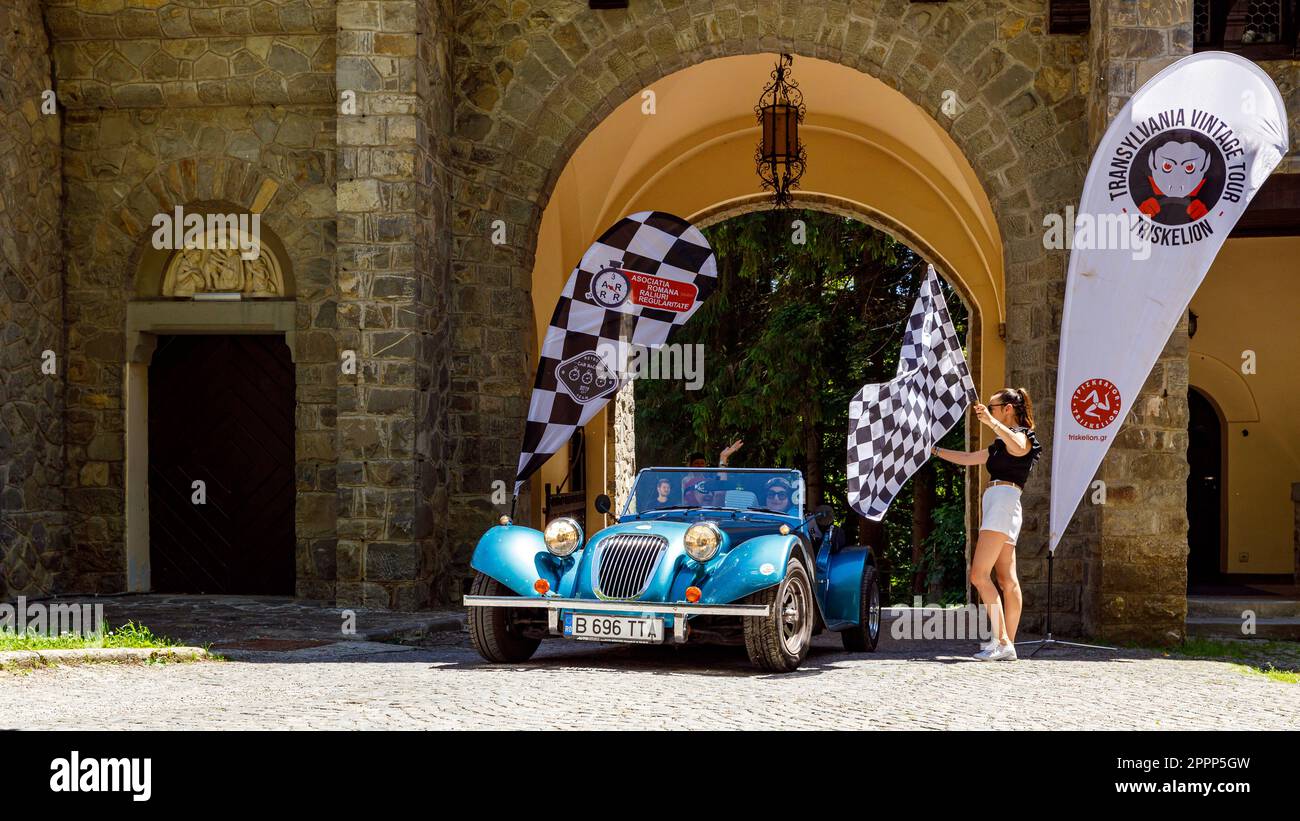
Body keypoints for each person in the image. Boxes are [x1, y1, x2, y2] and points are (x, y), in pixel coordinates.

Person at [932, 387, 1041, 662]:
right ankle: (1007, 645)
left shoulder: (1023, 437)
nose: (988, 412)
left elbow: (1018, 446)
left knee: (979, 576)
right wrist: (934, 450)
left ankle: (1003, 641)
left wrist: (990, 422)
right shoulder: (998, 446)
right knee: (1006, 579)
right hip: (1000, 504)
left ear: (1007, 409)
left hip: (1003, 502)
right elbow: (969, 459)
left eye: (993, 408)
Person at [682, 440, 744, 506]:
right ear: (691, 466)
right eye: (696, 463)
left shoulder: (708, 479)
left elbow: (720, 492)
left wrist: (723, 458)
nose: (699, 466)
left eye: (702, 463)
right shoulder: (686, 480)